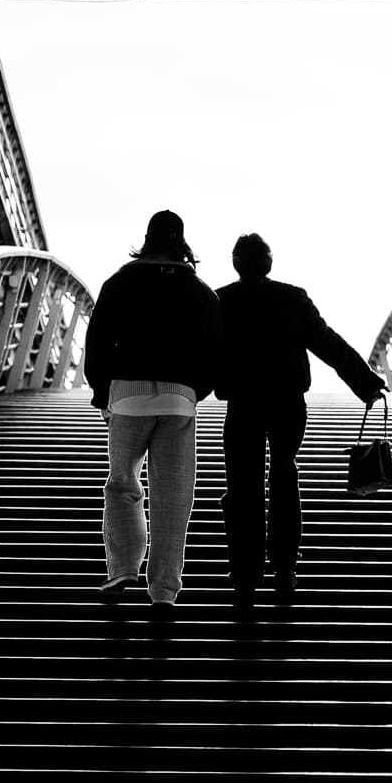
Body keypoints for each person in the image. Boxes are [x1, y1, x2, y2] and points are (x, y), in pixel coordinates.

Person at [214, 233, 387, 603]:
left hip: (242, 404)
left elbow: (204, 352)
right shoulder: (293, 298)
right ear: (269, 261)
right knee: (283, 473)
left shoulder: (221, 300)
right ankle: (285, 566)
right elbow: (328, 343)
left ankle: (245, 575)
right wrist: (365, 383)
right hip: (287, 402)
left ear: (236, 263)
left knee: (243, 485)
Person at [85, 209, 223, 618]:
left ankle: (123, 568)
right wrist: (194, 390)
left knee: (122, 483)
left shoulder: (119, 283)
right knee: (173, 496)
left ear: (146, 240)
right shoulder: (201, 292)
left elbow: (98, 343)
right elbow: (215, 353)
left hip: (127, 395)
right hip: (179, 399)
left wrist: (102, 392)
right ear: (181, 243)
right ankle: (163, 591)